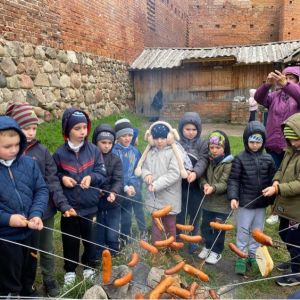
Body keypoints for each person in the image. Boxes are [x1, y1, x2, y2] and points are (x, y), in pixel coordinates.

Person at [5, 102, 72, 297]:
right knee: (22, 253)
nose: (31, 132)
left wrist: (62, 204)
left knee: (46, 246)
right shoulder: (9, 152)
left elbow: (51, 181)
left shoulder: (41, 151)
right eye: (26, 128)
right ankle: (25, 285)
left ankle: (49, 277)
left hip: (44, 211)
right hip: (16, 216)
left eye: (34, 128)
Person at [53, 108, 106, 288]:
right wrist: (62, 178)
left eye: (84, 127)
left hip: (90, 205)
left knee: (90, 238)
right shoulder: (59, 154)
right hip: (70, 208)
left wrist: (91, 177)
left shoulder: (93, 151)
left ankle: (89, 266)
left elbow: (101, 172)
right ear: (68, 131)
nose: (82, 132)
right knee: (70, 239)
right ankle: (70, 269)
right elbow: (54, 175)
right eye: (77, 128)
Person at [0, 116, 48, 297]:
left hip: (31, 231)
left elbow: (41, 190)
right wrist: (8, 219)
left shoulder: (29, 164)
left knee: (29, 266)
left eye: (17, 144)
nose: (14, 150)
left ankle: (28, 291)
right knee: (9, 271)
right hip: (6, 236)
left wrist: (36, 213)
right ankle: (11, 293)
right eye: (7, 147)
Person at [135, 121, 188, 263]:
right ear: (152, 138)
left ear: (169, 138)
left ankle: (172, 249)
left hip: (169, 197)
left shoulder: (174, 153)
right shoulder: (150, 152)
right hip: (154, 197)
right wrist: (146, 175)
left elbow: (174, 174)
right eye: (156, 138)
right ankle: (157, 251)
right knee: (156, 227)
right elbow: (144, 167)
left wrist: (156, 184)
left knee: (170, 225)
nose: (159, 141)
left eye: (163, 138)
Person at [228, 121, 276, 275]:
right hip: (245, 203)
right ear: (246, 141)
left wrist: (271, 199)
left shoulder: (268, 159)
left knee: (257, 231)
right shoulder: (240, 158)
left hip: (261, 204)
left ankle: (254, 254)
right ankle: (241, 256)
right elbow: (234, 179)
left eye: (258, 142)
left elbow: (272, 179)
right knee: (243, 230)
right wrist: (234, 197)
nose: (254, 145)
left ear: (263, 142)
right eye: (251, 142)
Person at [255, 66, 300, 225]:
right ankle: (275, 209)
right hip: (274, 144)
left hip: (293, 146)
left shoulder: (297, 94)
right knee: (275, 177)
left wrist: (287, 85)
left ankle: (290, 210)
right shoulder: (275, 96)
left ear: (297, 80)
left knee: (291, 179)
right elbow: (259, 98)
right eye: (284, 76)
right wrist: (267, 84)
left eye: (291, 77)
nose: (286, 79)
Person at [263, 112, 300, 286]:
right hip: (287, 205)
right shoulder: (290, 151)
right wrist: (276, 179)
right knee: (284, 234)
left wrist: (278, 188)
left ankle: (297, 273)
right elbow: (280, 169)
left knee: (295, 239)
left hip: (297, 209)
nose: (293, 143)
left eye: (297, 139)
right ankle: (294, 260)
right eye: (291, 140)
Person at [199, 130, 233, 264]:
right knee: (205, 226)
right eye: (211, 147)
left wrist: (214, 188)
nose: (214, 150)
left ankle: (216, 251)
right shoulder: (208, 161)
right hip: (207, 202)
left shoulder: (228, 163)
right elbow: (201, 176)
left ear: (224, 148)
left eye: (218, 147)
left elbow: (225, 183)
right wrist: (205, 184)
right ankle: (207, 246)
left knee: (218, 229)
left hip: (221, 205)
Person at [176, 112, 208, 254]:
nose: (191, 132)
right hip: (180, 184)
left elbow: (203, 160)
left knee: (195, 213)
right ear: (182, 129)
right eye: (187, 129)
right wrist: (183, 171)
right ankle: (179, 237)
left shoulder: (202, 143)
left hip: (196, 185)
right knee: (180, 212)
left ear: (198, 130)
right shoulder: (176, 143)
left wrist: (195, 172)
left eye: (194, 129)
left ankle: (193, 239)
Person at [91, 124, 123, 258]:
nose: (106, 146)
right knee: (98, 229)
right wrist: (95, 191)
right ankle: (97, 255)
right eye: (103, 142)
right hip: (96, 202)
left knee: (113, 229)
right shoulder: (91, 158)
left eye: (110, 143)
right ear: (96, 142)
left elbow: (118, 179)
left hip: (113, 201)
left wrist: (114, 192)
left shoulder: (116, 159)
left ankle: (114, 252)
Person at [113, 118, 146, 243]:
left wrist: (133, 185)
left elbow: (137, 170)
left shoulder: (135, 152)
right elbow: (117, 174)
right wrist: (125, 186)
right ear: (117, 137)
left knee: (138, 208)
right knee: (124, 212)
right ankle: (124, 235)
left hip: (134, 187)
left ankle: (143, 231)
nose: (127, 138)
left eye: (130, 135)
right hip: (120, 188)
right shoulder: (114, 152)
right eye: (123, 136)